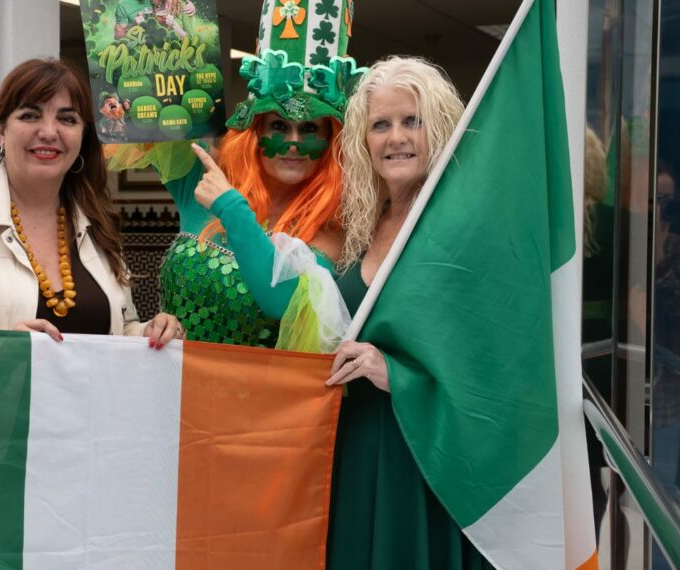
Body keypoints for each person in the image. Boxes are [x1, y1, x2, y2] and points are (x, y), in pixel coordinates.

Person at [321, 56, 492, 568]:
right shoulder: (359, 230)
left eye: (411, 120)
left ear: (437, 128)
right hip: (353, 451)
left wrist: (393, 372)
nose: (396, 137)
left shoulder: (462, 232)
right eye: (381, 124)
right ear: (362, 140)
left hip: (426, 463)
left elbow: (488, 368)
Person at [111, 0, 355, 349]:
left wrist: (231, 208)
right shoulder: (204, 178)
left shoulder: (331, 229)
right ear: (254, 132)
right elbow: (144, 105)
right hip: (169, 390)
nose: (293, 143)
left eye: (310, 129)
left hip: (254, 400)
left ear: (331, 141)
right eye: (278, 126)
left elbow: (282, 302)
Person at [0, 58, 181, 345]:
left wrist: (150, 332)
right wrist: (0, 355)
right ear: (2, 131)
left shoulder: (97, 223)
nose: (49, 132)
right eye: (30, 115)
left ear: (82, 137)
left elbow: (120, 330)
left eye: (67, 119)